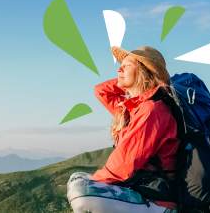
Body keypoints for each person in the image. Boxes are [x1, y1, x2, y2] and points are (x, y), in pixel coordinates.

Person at [67, 46, 180, 213]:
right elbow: (101, 91)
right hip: (139, 185)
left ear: (144, 72)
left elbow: (124, 164)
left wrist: (96, 183)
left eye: (127, 65)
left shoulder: (152, 110)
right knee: (76, 178)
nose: (119, 68)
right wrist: (129, 82)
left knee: (81, 192)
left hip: (157, 199)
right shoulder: (134, 108)